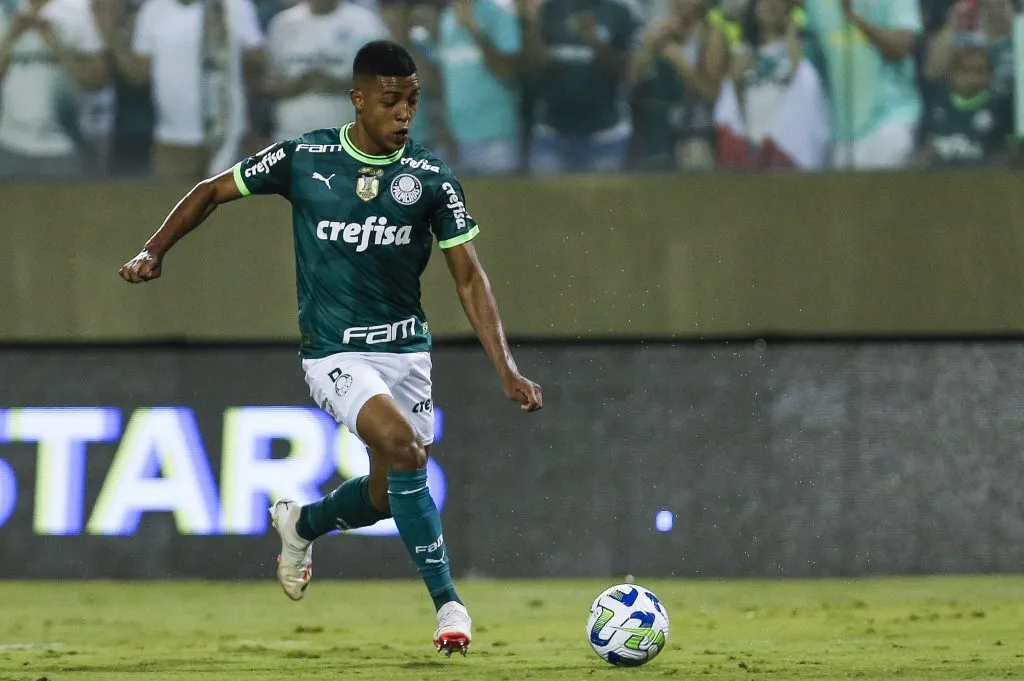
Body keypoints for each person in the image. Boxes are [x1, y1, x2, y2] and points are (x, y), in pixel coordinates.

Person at [117, 39, 543, 656]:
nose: (404, 114)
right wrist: (153, 250)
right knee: (404, 449)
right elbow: (211, 189)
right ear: (359, 100)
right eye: (392, 101)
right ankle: (449, 605)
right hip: (333, 353)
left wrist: (506, 368)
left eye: (413, 102)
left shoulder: (429, 178)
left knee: (382, 494)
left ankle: (302, 522)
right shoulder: (305, 157)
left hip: (407, 354)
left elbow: (469, 276)